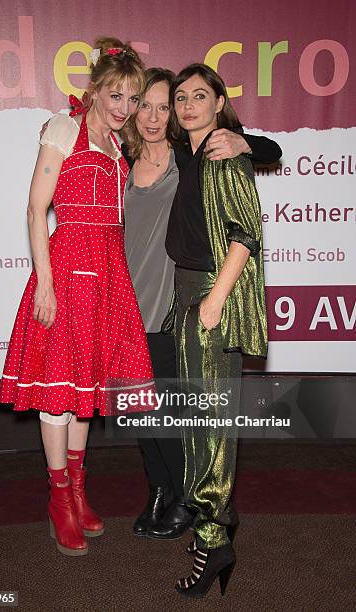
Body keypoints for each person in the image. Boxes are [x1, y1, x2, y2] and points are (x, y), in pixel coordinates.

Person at [0, 38, 155, 556]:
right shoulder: (64, 128)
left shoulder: (119, 145)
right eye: (117, 95)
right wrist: (44, 280)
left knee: (86, 389)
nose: (125, 107)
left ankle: (80, 491)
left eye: (133, 98)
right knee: (57, 393)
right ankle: (58, 497)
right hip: (66, 271)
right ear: (97, 89)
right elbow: (35, 207)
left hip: (108, 275)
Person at [122, 68, 279, 541]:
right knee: (132, 406)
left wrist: (244, 143)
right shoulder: (118, 160)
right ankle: (158, 488)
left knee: (176, 407)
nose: (154, 116)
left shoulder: (186, 155)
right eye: (144, 105)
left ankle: (187, 498)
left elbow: (265, 152)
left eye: (163, 106)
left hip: (168, 300)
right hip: (119, 303)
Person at [165, 63, 268, 596]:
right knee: (198, 416)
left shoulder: (226, 154)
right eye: (180, 97)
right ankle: (215, 524)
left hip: (210, 298)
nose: (186, 105)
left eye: (197, 96)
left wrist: (215, 301)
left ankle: (214, 542)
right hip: (188, 296)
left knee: (210, 427)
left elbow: (247, 233)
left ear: (218, 101)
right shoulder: (190, 153)